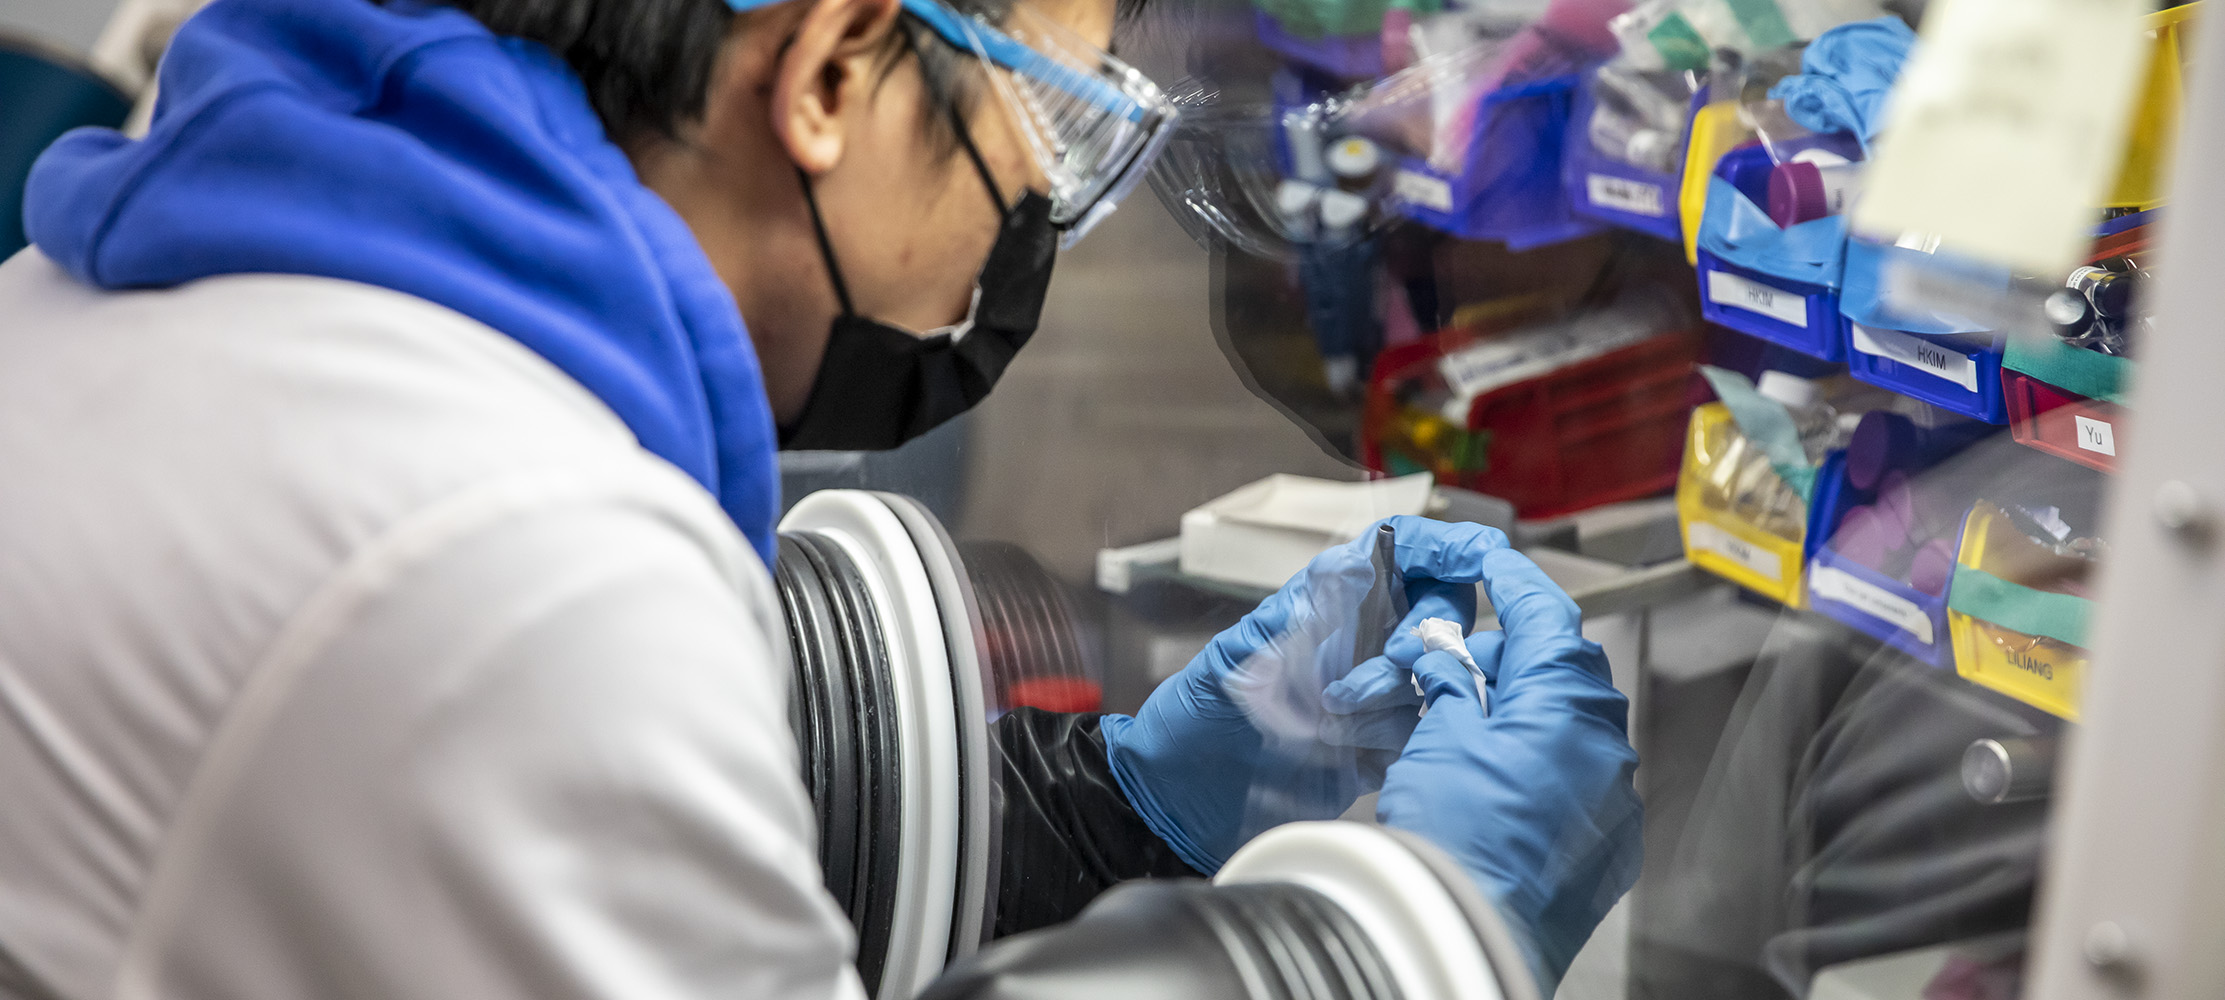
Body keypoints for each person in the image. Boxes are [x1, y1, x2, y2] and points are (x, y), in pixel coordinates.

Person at [0, 0, 1640, 997]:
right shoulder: (503, 563)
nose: (1037, 221)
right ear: (836, 71)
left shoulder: (182, 309)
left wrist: (1097, 823)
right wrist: (1398, 932)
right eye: (1058, 129)